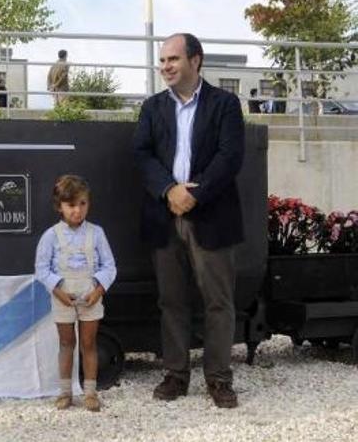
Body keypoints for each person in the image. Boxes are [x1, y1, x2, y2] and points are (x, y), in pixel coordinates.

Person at [132, 33, 245, 409]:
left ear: (196, 60)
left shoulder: (225, 104)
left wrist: (194, 193)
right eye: (162, 60)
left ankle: (219, 379)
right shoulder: (151, 108)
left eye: (173, 59)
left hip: (212, 215)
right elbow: (142, 155)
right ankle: (176, 375)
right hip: (165, 217)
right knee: (172, 301)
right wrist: (169, 190)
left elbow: (230, 157)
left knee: (219, 302)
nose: (165, 66)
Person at [34, 175, 116, 412]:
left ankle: (90, 392)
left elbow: (109, 266)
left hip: (90, 295)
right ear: (59, 206)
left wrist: (98, 291)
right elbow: (41, 269)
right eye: (71, 205)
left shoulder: (97, 233)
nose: (77, 211)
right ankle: (65, 391)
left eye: (82, 204)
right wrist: (58, 292)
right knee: (67, 342)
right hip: (63, 297)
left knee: (89, 343)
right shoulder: (51, 236)